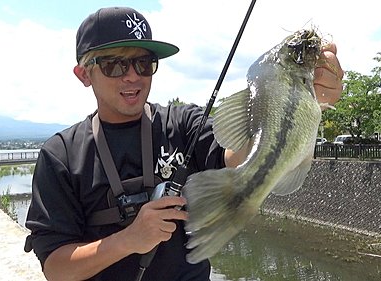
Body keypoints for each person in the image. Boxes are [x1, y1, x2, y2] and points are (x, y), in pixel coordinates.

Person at [24, 6, 344, 281]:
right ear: (84, 74)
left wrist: (311, 100)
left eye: (144, 63)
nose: (133, 76)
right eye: (114, 64)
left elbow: (236, 154)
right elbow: (55, 268)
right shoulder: (61, 155)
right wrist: (129, 239)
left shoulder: (182, 123)